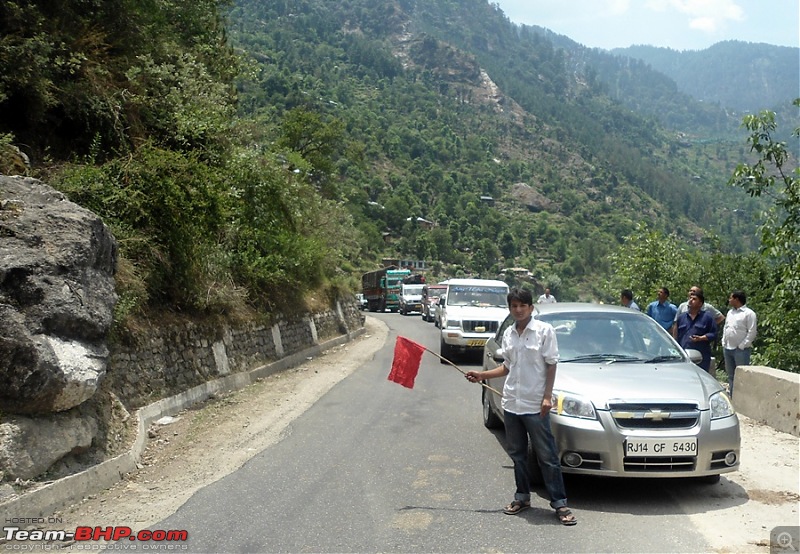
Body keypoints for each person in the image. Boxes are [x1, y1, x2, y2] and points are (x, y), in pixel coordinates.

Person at [465, 288, 577, 526]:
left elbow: (551, 365)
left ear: (531, 308)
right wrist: (481, 374)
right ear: (510, 308)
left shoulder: (544, 332)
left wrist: (547, 397)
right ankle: (522, 497)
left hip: (535, 404)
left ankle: (559, 503)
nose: (518, 310)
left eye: (522, 306)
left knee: (546, 456)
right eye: (514, 306)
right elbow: (507, 367)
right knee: (517, 454)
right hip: (512, 404)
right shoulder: (508, 333)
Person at [721, 290, 757, 397]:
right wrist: (723, 341)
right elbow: (726, 327)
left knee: (741, 376)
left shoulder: (749, 314)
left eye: (731, 298)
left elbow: (752, 332)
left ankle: (742, 398)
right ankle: (733, 396)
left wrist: (742, 345)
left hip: (740, 350)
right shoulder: (730, 312)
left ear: (737, 299)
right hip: (727, 348)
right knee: (731, 375)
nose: (729, 300)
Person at [675, 291, 718, 372]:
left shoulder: (707, 317)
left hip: (702, 357)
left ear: (700, 304)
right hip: (685, 356)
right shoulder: (681, 317)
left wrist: (701, 338)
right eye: (690, 298)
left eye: (694, 299)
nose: (690, 300)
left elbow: (714, 334)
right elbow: (677, 335)